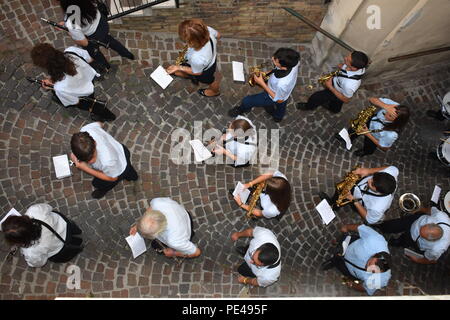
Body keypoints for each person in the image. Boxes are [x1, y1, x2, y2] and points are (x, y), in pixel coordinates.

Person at [30, 43, 115, 121]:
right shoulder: (71, 51)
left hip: (83, 93)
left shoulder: (60, 88)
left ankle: (109, 116)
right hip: (89, 79)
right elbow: (89, 59)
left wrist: (53, 86)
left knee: (94, 106)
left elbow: (75, 102)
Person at [59, 0, 134, 73]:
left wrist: (69, 31)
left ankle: (106, 67)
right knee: (110, 40)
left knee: (95, 53)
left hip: (93, 35)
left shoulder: (71, 21)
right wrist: (66, 24)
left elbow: (84, 43)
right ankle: (128, 54)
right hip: (102, 22)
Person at [228, 48, 300, 122]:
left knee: (247, 101)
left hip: (273, 95)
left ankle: (241, 109)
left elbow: (278, 99)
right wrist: (265, 74)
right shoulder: (294, 62)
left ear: (283, 66)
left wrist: (261, 83)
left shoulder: (282, 84)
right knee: (282, 105)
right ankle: (278, 117)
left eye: (275, 60)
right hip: (285, 93)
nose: (272, 58)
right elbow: (276, 70)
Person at [70, 121, 138, 199]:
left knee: (98, 183)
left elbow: (113, 178)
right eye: (86, 160)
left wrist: (86, 168)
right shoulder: (86, 129)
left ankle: (104, 189)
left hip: (120, 168)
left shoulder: (107, 162)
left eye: (92, 158)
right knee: (130, 171)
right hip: (120, 149)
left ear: (95, 143)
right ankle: (133, 176)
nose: (90, 162)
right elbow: (100, 124)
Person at [2, 203, 83, 267]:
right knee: (73, 228)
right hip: (64, 224)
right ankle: (77, 231)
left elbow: (39, 263)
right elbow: (48, 207)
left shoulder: (31, 252)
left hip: (60, 248)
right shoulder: (34, 210)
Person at [321, 224, 391, 296]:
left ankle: (335, 262)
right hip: (350, 244)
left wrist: (352, 285)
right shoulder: (375, 239)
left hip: (348, 269)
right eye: (369, 264)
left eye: (373, 272)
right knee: (339, 246)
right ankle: (335, 254)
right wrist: (346, 227)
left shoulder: (381, 279)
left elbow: (366, 288)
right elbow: (360, 228)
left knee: (340, 265)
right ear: (375, 254)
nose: (367, 269)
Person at [320, 166, 398, 225]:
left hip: (357, 200)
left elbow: (369, 219)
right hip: (358, 187)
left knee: (343, 198)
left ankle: (335, 206)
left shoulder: (377, 208)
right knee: (340, 192)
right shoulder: (391, 174)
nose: (369, 180)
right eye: (373, 177)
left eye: (372, 184)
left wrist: (354, 200)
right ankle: (334, 202)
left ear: (380, 192)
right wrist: (368, 171)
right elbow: (392, 168)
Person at [297, 51, 369, 114]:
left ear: (354, 68)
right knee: (335, 106)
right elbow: (346, 68)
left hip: (336, 90)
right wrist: (343, 67)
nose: (345, 58)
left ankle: (309, 106)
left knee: (316, 97)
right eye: (348, 56)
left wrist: (330, 87)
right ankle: (334, 109)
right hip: (337, 84)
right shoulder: (355, 67)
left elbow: (346, 99)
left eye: (347, 60)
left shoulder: (350, 85)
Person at [129, 198, 201, 259]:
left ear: (158, 233)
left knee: (155, 246)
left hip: (185, 231)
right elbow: (150, 210)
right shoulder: (157, 203)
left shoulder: (174, 241)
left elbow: (197, 252)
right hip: (184, 215)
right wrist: (139, 226)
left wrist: (174, 253)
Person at [166, 19, 221, 97]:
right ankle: (187, 75)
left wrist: (178, 67)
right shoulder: (206, 30)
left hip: (205, 70)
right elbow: (218, 35)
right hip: (210, 59)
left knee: (210, 80)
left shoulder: (197, 58)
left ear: (192, 41)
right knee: (188, 69)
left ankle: (215, 91)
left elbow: (198, 72)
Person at [378, 206, 450, 264]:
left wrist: (417, 260)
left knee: (404, 241)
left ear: (431, 240)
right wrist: (420, 208)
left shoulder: (437, 249)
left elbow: (431, 260)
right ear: (432, 224)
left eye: (422, 235)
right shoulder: (441, 216)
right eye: (422, 227)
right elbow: (430, 210)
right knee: (395, 224)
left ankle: (396, 242)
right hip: (414, 221)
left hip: (414, 241)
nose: (418, 231)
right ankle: (381, 226)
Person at [340, 97, 410, 157]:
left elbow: (384, 148)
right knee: (354, 129)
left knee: (369, 147)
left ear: (396, 121)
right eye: (388, 111)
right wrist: (386, 106)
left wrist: (367, 134)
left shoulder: (391, 135)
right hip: (371, 120)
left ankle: (365, 151)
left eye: (390, 116)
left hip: (374, 136)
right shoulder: (393, 106)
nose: (386, 113)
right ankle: (348, 137)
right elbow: (371, 99)